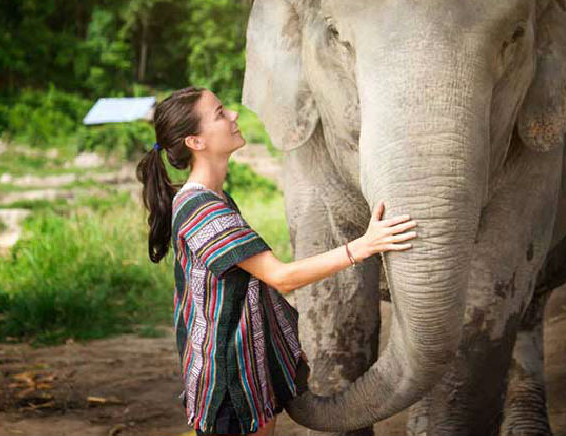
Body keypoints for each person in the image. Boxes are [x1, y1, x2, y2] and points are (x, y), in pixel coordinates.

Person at [135, 87, 417, 436]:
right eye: (220, 114)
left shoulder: (215, 198)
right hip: (228, 380)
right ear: (195, 142)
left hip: (248, 368)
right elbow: (281, 277)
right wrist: (362, 246)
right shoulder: (202, 211)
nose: (234, 116)